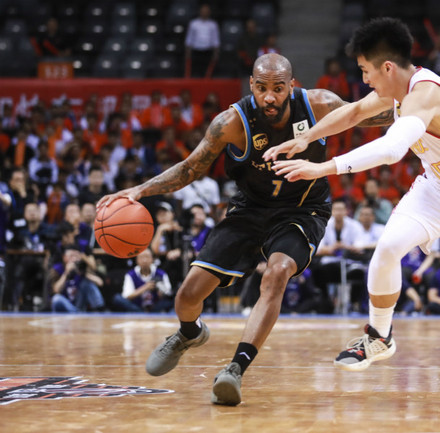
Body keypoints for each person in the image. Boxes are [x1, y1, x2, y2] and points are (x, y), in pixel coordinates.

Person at [267, 18, 440, 401]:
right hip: (438, 188)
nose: (365, 79)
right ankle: (378, 336)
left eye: (366, 71)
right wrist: (305, 137)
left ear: (386, 67)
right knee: (387, 248)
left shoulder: (425, 95)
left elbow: (391, 150)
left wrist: (322, 167)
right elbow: (355, 112)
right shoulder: (402, 88)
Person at [97, 53, 361, 406]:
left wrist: (426, 104)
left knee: (277, 272)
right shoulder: (231, 123)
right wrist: (140, 190)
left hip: (303, 209)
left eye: (278, 89)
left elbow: (369, 112)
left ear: (291, 86)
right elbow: (191, 168)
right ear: (252, 86)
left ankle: (235, 369)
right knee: (188, 296)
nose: (270, 97)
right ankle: (190, 333)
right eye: (263, 88)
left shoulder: (320, 104)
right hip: (249, 210)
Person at [112, 248, 174, 313]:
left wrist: (161, 293)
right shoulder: (130, 275)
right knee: (117, 298)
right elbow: (127, 296)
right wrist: (145, 287)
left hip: (155, 307)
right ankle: (141, 313)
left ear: (152, 259)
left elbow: (169, 293)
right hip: (137, 307)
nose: (144, 260)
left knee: (174, 300)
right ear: (137, 260)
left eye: (147, 257)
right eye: (141, 257)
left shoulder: (161, 273)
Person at [49, 247, 105, 313]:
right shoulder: (58, 269)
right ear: (64, 257)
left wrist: (84, 274)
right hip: (66, 308)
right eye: (71, 256)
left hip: (79, 306)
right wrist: (66, 273)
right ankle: (76, 314)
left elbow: (100, 282)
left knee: (87, 284)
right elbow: (56, 290)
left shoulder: (82, 267)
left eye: (76, 256)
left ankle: (99, 311)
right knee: (56, 299)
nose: (74, 259)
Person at [184, 4, 220, 78]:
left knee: (207, 73)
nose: (204, 13)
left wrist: (216, 53)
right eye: (203, 11)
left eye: (206, 11)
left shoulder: (213, 24)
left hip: (207, 51)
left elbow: (215, 40)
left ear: (209, 12)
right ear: (200, 12)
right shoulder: (193, 23)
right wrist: (188, 52)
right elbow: (189, 39)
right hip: (196, 50)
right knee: (195, 72)